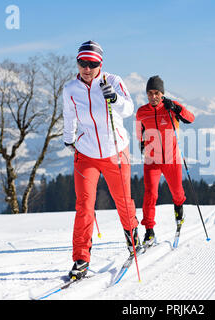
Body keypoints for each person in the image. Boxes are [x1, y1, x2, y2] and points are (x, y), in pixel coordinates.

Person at [63, 40, 140, 279]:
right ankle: (81, 258)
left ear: (100, 64)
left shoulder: (113, 81)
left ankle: (132, 232)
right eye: (82, 63)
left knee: (122, 200)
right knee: (84, 205)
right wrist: (69, 139)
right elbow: (69, 116)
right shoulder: (70, 89)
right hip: (85, 154)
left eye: (92, 63)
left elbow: (129, 109)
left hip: (115, 151)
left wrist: (114, 98)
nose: (86, 68)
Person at [135, 75, 195, 246]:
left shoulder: (170, 107)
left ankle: (179, 210)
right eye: (150, 93)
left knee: (177, 193)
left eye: (156, 93)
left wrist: (176, 107)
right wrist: (142, 146)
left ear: (162, 93)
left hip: (172, 159)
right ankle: (149, 231)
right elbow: (140, 133)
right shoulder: (141, 112)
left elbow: (190, 118)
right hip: (152, 160)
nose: (153, 97)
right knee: (150, 194)